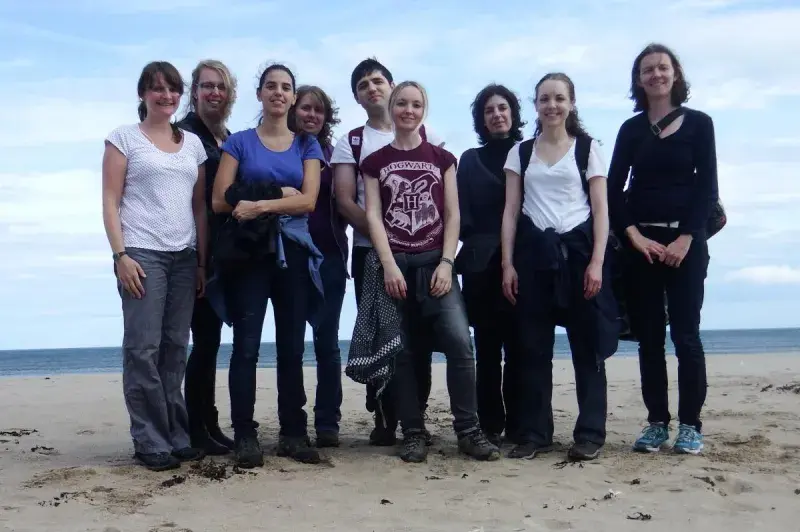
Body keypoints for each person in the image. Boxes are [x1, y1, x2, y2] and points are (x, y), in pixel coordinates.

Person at [355, 80, 500, 463]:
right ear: (391, 108)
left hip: (436, 264)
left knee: (460, 343)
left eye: (416, 104)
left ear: (424, 110)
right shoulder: (375, 163)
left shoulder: (442, 159)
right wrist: (388, 265)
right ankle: (413, 433)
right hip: (395, 267)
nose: (408, 110)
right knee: (402, 353)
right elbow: (373, 216)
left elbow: (452, 214)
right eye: (401, 103)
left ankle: (468, 430)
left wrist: (448, 263)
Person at [212, 63, 326, 467]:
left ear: (293, 97)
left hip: (293, 250)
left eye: (286, 87)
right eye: (271, 86)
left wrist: (259, 204)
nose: (279, 92)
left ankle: (293, 433)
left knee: (292, 347)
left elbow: (308, 201)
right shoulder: (239, 142)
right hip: (250, 253)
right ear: (259, 93)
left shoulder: (307, 145)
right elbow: (220, 200)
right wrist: (281, 194)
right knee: (246, 347)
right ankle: (245, 435)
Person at [501, 73, 619, 461]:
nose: (552, 105)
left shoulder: (587, 149)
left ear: (571, 104)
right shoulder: (520, 152)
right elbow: (511, 211)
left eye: (559, 98)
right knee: (533, 349)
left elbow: (601, 210)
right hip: (534, 257)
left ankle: (590, 434)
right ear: (535, 105)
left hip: (580, 256)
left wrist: (597, 262)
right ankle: (536, 434)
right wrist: (507, 264)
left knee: (588, 348)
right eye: (544, 99)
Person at [608, 43, 718, 456]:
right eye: (647, 70)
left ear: (675, 74)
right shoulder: (631, 129)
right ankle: (657, 422)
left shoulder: (700, 124)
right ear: (638, 80)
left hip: (687, 245)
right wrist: (634, 237)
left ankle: (690, 425)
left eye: (662, 67)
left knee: (687, 336)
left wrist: (687, 238)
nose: (656, 74)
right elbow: (612, 189)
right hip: (643, 248)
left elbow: (707, 187)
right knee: (650, 339)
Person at [102, 61, 209, 471]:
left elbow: (199, 209)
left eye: (173, 89)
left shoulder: (193, 145)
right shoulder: (124, 138)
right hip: (141, 254)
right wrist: (120, 256)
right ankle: (149, 440)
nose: (166, 96)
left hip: (184, 257)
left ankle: (176, 436)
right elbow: (110, 200)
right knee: (142, 349)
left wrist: (201, 263)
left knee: (175, 349)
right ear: (143, 94)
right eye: (157, 88)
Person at [331, 58, 442, 446]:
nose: (372, 88)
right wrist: (386, 241)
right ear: (357, 97)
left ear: (393, 87)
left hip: (422, 255)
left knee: (419, 338)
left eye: (378, 80)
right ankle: (383, 417)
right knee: (380, 335)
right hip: (371, 255)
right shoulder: (352, 142)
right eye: (362, 85)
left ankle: (416, 417)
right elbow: (345, 201)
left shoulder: (427, 135)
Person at [455, 84, 526, 448]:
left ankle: (520, 424)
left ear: (513, 113)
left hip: (523, 264)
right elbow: (460, 215)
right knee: (485, 350)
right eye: (489, 110)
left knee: (520, 349)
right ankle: (489, 424)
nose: (496, 115)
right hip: (480, 267)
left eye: (503, 108)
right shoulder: (470, 160)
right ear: (481, 119)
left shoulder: (529, 154)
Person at [177, 59, 238, 456]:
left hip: (223, 253)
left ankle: (208, 422)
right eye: (207, 85)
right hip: (193, 251)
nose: (214, 92)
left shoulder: (226, 137)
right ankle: (195, 427)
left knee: (211, 341)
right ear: (195, 91)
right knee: (202, 341)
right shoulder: (183, 135)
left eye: (221, 86)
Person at [288, 85, 348, 448]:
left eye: (319, 110)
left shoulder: (333, 154)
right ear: (293, 110)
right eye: (306, 108)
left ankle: (327, 423)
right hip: (291, 257)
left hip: (330, 257)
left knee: (327, 343)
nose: (312, 115)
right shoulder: (281, 148)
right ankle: (294, 422)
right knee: (293, 343)